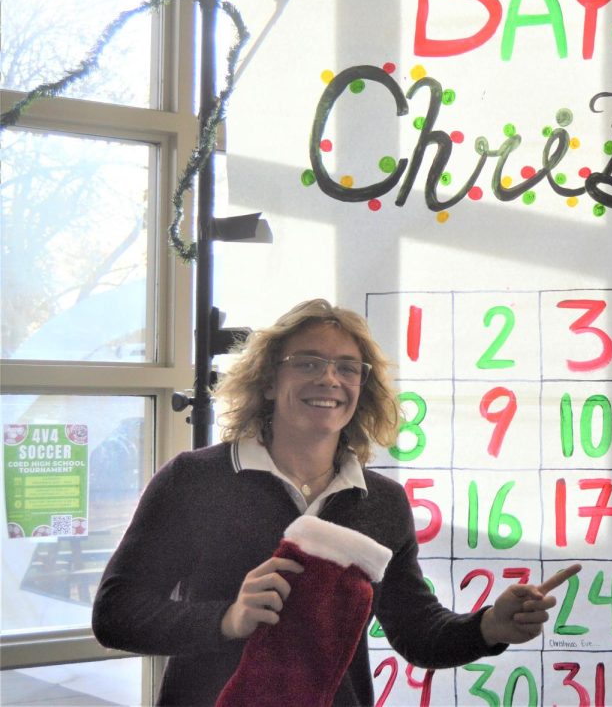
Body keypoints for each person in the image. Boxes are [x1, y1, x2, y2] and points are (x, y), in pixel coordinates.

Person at [93, 298, 581, 705]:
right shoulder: (194, 480)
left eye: (347, 368)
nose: (330, 379)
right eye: (307, 362)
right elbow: (115, 614)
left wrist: (490, 625)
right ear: (267, 381)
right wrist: (228, 618)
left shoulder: (381, 502)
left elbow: (416, 631)